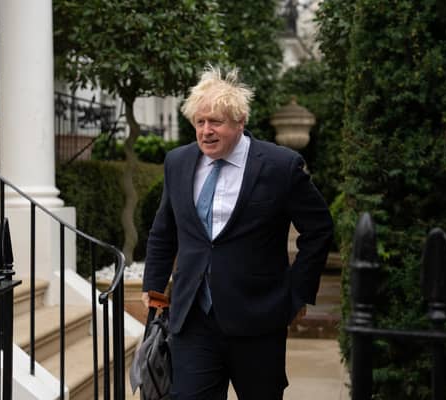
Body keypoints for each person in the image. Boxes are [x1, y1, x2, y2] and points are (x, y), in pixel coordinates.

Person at [142, 66, 333, 399]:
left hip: (258, 319)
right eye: (199, 122)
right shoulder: (178, 162)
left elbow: (318, 230)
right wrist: (154, 287)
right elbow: (164, 229)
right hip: (193, 318)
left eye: (215, 122)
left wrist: (298, 292)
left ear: (240, 121)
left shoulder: (280, 166)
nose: (206, 131)